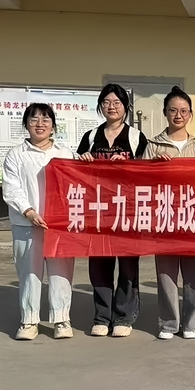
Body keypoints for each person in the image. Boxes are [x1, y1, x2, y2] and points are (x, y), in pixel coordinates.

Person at [77, 83, 148, 338]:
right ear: (100, 106)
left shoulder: (136, 137)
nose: (111, 107)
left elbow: (147, 173)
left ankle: (124, 317)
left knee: (128, 266)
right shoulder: (90, 137)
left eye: (117, 102)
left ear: (125, 107)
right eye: (106, 102)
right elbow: (76, 175)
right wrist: (83, 161)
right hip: (98, 211)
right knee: (99, 265)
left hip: (128, 211)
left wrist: (129, 164)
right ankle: (101, 317)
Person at [2, 103, 75, 341]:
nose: (40, 124)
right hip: (26, 223)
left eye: (45, 119)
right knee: (29, 273)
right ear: (26, 124)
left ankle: (61, 319)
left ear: (53, 125)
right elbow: (11, 188)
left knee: (61, 272)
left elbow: (76, 186)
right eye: (33, 119)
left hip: (59, 225)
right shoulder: (16, 154)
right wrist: (29, 212)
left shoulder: (65, 154)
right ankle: (29, 320)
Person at [143, 86, 195, 341]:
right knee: (166, 273)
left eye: (183, 111)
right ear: (165, 113)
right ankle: (169, 322)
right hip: (164, 216)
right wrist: (153, 166)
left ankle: (192, 322)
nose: (178, 115)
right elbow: (141, 182)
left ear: (190, 114)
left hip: (193, 216)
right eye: (173, 110)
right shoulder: (152, 145)